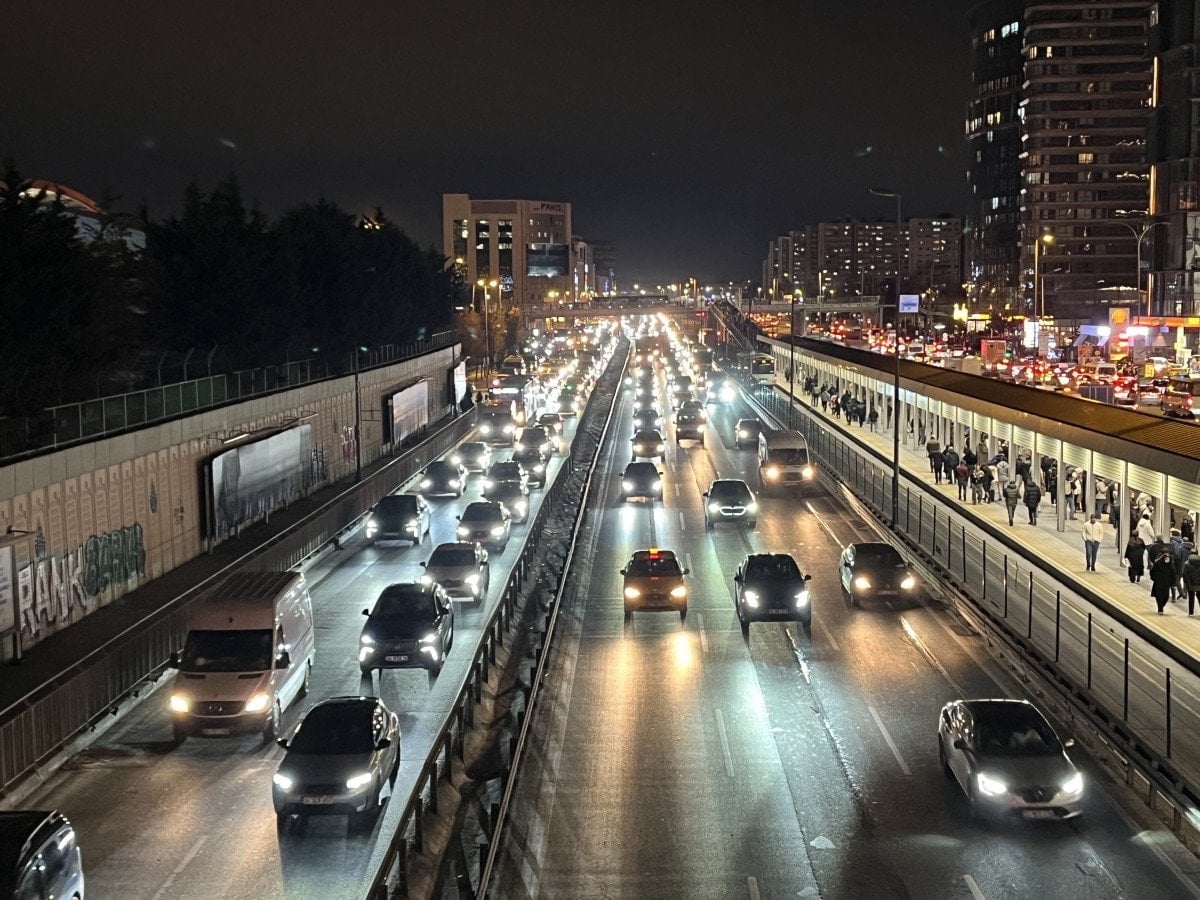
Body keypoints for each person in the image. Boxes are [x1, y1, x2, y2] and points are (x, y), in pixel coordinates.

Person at [1181, 550, 1200, 615]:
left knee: (1191, 598)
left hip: (1190, 584)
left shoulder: (1187, 563)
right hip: (1199, 584)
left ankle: (1191, 612)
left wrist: (1186, 582)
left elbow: (1184, 574)